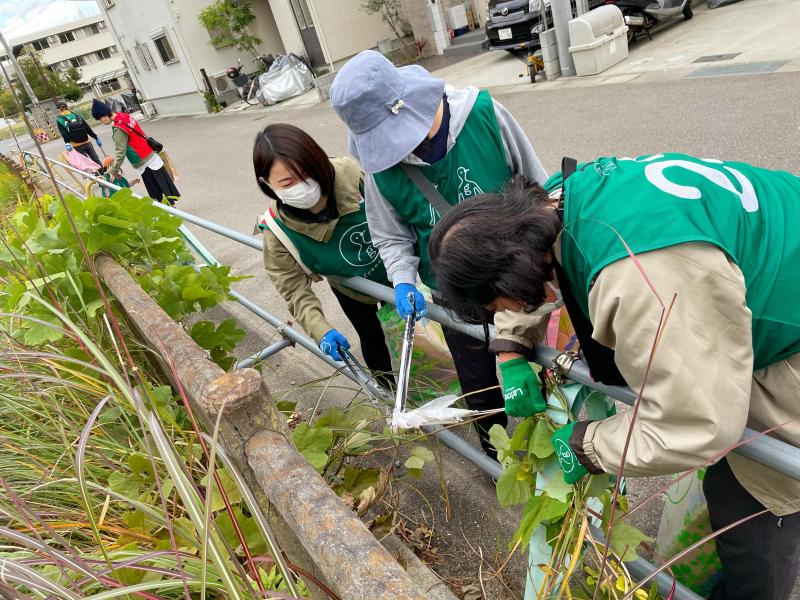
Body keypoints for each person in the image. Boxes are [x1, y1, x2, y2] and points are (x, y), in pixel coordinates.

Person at [428, 154, 800, 600]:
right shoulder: (557, 200)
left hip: (788, 333)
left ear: (515, 275)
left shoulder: (643, 276)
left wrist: (589, 444)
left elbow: (700, 421)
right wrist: (510, 347)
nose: (508, 314)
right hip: (771, 261)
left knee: (758, 501)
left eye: (500, 309)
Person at [330, 50, 549, 458]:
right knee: (479, 385)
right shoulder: (383, 168)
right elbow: (390, 235)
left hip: (522, 280)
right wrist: (401, 279)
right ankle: (497, 458)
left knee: (544, 368)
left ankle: (556, 449)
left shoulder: (484, 116)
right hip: (453, 296)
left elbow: (541, 188)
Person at [253, 123, 394, 387]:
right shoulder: (276, 230)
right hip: (350, 288)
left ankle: (425, 374)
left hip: (394, 271)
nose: (303, 185)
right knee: (371, 336)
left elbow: (392, 210)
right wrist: (321, 330)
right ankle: (389, 392)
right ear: (267, 184)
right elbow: (293, 289)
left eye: (308, 173)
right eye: (288, 182)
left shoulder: (349, 175)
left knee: (411, 330)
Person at [91, 99, 179, 205]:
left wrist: (113, 170)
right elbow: (141, 132)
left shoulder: (118, 127)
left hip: (142, 160)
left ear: (104, 115)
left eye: (100, 119)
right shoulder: (124, 116)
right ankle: (172, 208)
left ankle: (170, 213)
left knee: (156, 191)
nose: (101, 122)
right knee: (164, 185)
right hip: (151, 155)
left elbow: (120, 152)